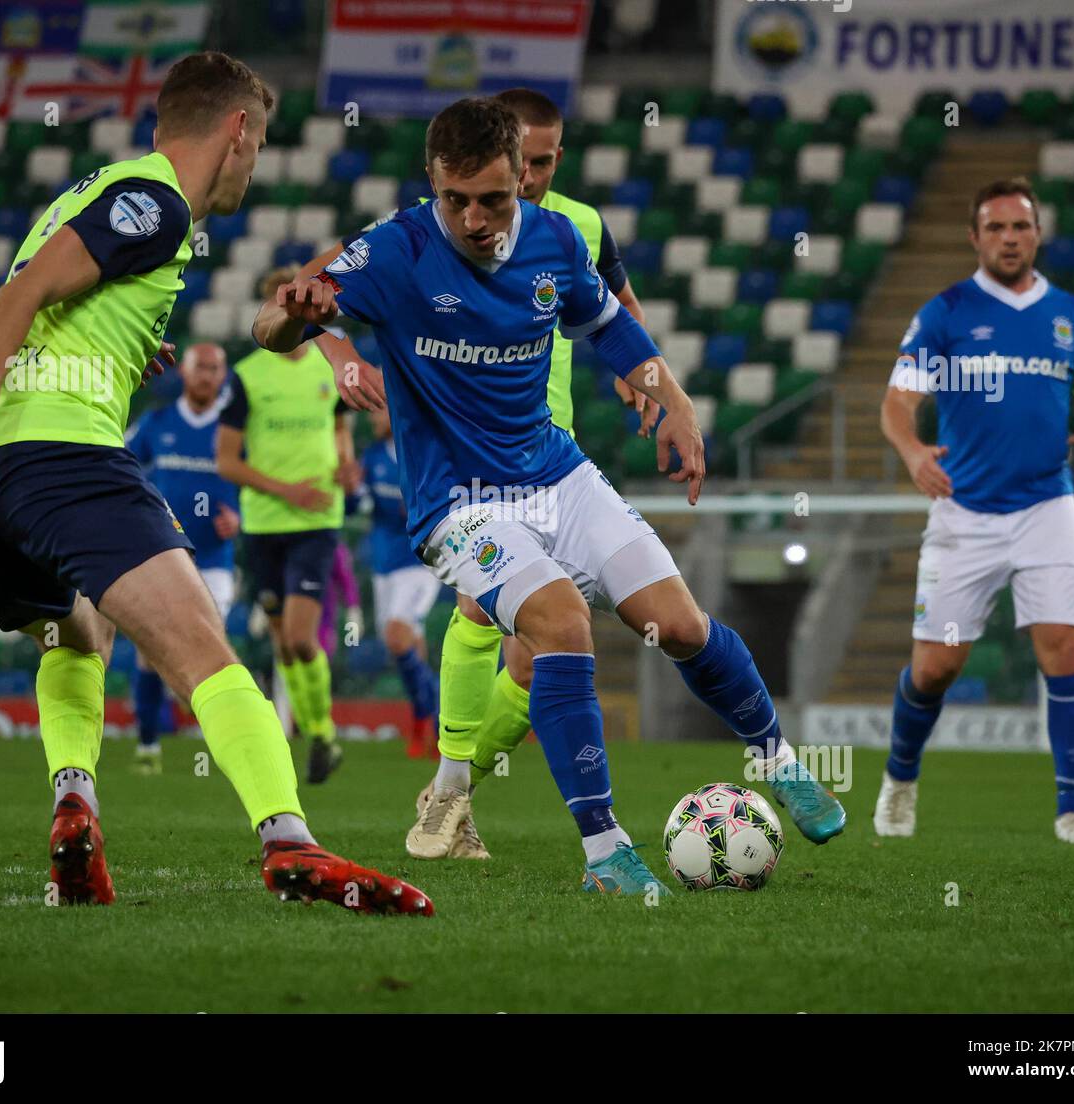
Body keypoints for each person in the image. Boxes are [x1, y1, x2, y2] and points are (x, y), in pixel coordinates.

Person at [254, 97, 845, 896]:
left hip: (556, 475)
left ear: (519, 177)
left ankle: (779, 760)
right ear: (433, 183)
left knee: (679, 625)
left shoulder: (561, 241)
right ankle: (604, 851)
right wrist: (302, 320)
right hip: (458, 502)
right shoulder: (397, 250)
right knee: (563, 622)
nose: (472, 218)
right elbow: (271, 319)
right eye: (454, 199)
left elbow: (611, 327)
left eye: (492, 199)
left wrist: (669, 400)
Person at [0, 51, 431, 914]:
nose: (256, 164)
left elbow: (52, 294)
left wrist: (124, 354)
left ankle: (74, 805)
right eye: (261, 142)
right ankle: (290, 844)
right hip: (59, 460)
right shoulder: (156, 201)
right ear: (237, 130)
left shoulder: (103, 190)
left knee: (75, 637)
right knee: (205, 654)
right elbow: (23, 293)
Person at [304, 87, 659, 858]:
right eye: (517, 163)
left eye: (542, 162)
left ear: (555, 158)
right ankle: (467, 796)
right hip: (478, 458)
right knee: (505, 619)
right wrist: (339, 355)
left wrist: (646, 378)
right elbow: (311, 290)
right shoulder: (437, 222)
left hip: (553, 449)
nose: (527, 177)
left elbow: (617, 311)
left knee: (538, 663)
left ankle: (452, 790)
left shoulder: (575, 227)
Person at [875, 177, 1074, 845]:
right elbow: (898, 404)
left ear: (1037, 235)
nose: (1009, 238)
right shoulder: (946, 313)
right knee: (936, 668)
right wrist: (912, 452)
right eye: (996, 227)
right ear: (975, 237)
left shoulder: (1072, 316)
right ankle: (900, 779)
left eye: (1020, 227)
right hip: (965, 513)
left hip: (1047, 505)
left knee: (1065, 648)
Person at [216, 265, 361, 784]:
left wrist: (346, 462)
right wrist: (285, 490)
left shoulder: (329, 366)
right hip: (264, 525)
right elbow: (227, 462)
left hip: (318, 519)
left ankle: (321, 733)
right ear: (269, 310)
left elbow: (341, 425)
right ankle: (319, 736)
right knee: (282, 644)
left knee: (300, 638)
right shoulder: (247, 377)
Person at [125, 342, 239, 773]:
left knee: (208, 647)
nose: (207, 375)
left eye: (214, 368)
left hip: (214, 560)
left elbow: (250, 479)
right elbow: (121, 461)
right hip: (164, 553)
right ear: (185, 373)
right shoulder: (158, 421)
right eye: (200, 368)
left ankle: (217, 746)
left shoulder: (232, 429)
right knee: (148, 650)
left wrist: (239, 517)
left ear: (222, 375)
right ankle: (149, 746)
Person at [359, 403, 454, 769]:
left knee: (398, 636)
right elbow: (360, 504)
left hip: (419, 561)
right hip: (385, 563)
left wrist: (423, 506)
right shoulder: (371, 456)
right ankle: (424, 724)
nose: (372, 418)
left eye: (379, 409)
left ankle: (434, 722)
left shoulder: (423, 449)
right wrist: (352, 489)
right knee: (403, 641)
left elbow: (452, 491)